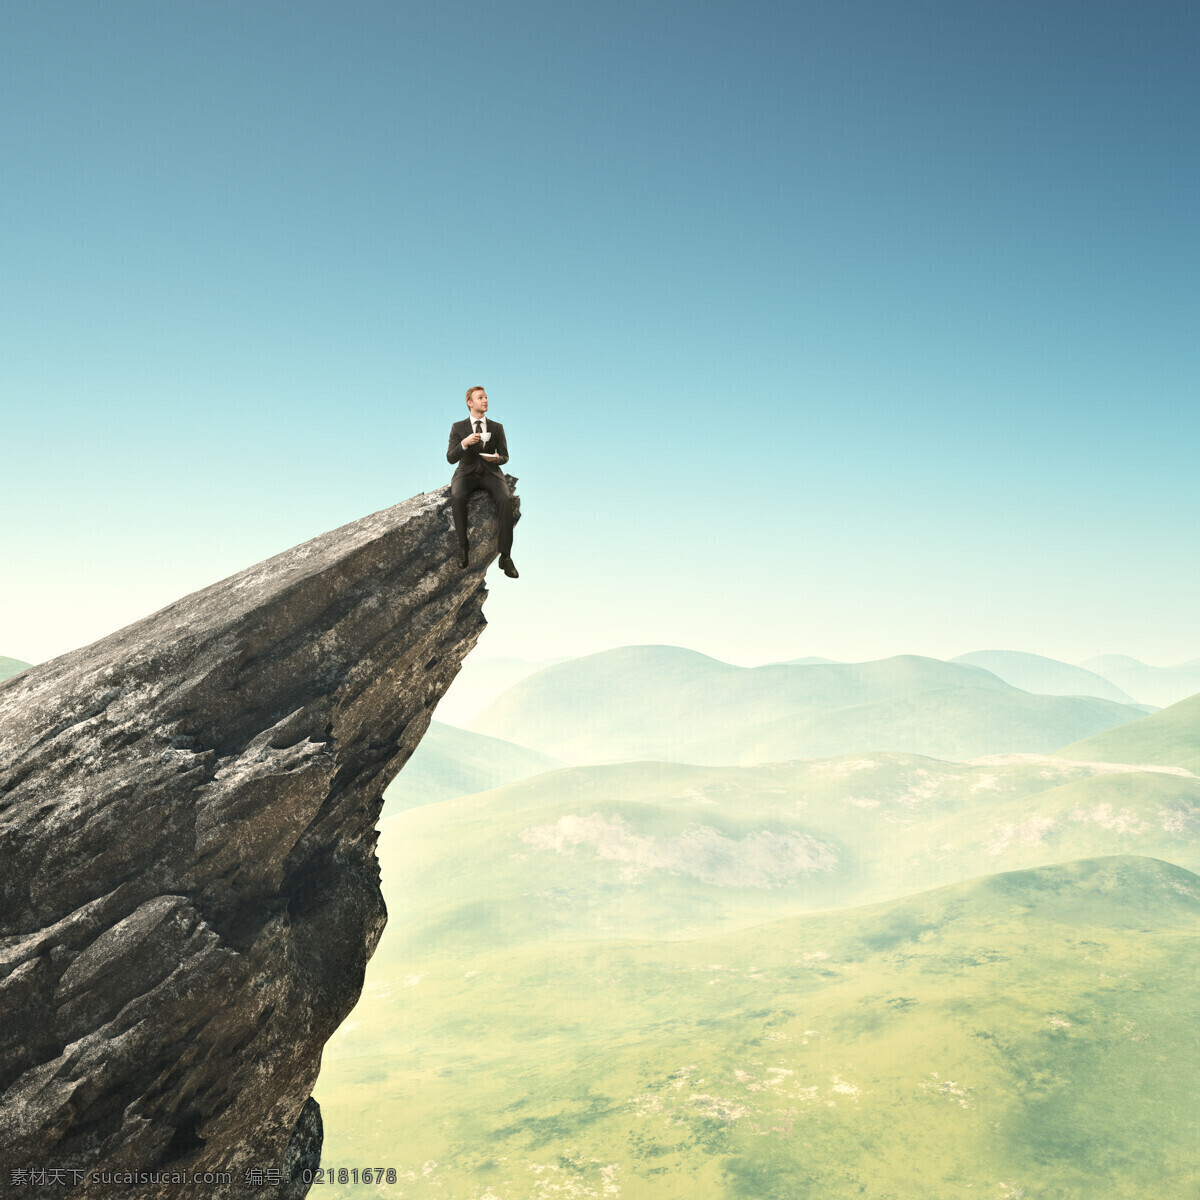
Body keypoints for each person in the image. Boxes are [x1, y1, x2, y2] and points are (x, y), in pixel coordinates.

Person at [447, 386, 518, 578]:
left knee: (506, 499)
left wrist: (497, 459)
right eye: (480, 398)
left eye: (486, 397)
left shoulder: (497, 427)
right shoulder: (458, 427)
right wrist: (464, 443)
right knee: (458, 497)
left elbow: (505, 456)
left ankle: (505, 556)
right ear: (470, 403)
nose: (485, 400)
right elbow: (450, 458)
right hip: (466, 473)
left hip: (490, 472)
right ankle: (463, 547)